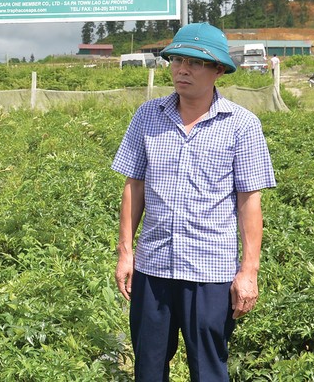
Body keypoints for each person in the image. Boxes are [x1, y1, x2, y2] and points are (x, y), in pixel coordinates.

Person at [112, 22, 277, 381]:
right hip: (154, 265)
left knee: (209, 368)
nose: (183, 70)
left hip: (210, 271)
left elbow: (249, 200)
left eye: (196, 63)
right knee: (149, 366)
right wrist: (127, 253)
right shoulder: (147, 116)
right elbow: (133, 185)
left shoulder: (241, 125)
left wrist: (248, 272)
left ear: (218, 70)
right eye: (177, 61)